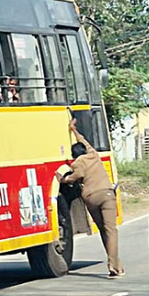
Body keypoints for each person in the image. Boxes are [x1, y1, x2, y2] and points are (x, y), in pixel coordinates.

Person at [58, 119, 124, 278]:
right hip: (106, 195)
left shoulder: (76, 164)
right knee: (111, 230)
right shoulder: (93, 155)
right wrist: (74, 130)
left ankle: (117, 265)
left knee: (103, 230)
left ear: (74, 155)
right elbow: (84, 141)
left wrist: (63, 180)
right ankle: (113, 267)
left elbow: (78, 175)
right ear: (84, 151)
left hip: (90, 198)